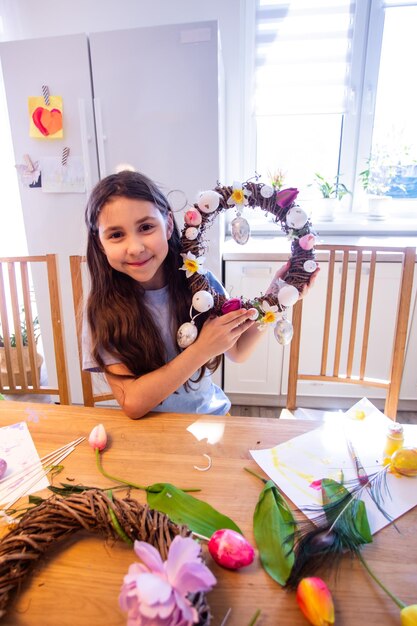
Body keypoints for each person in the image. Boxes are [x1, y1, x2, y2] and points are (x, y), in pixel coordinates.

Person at [82, 170, 315, 419]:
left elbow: (238, 351)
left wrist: (276, 298)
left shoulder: (200, 285)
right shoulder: (103, 311)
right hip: (150, 432)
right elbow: (132, 403)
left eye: (146, 227)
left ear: (168, 224)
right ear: (100, 243)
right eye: (116, 235)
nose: (136, 248)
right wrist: (200, 351)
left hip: (210, 418)